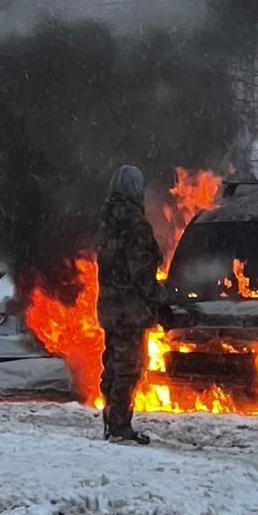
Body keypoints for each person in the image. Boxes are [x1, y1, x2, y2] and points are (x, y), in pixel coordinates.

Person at [96, 164, 168, 445]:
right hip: (130, 311)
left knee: (113, 367)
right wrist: (162, 299)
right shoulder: (135, 225)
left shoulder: (107, 223)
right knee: (128, 367)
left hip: (110, 308)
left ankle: (110, 420)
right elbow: (141, 273)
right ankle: (119, 426)